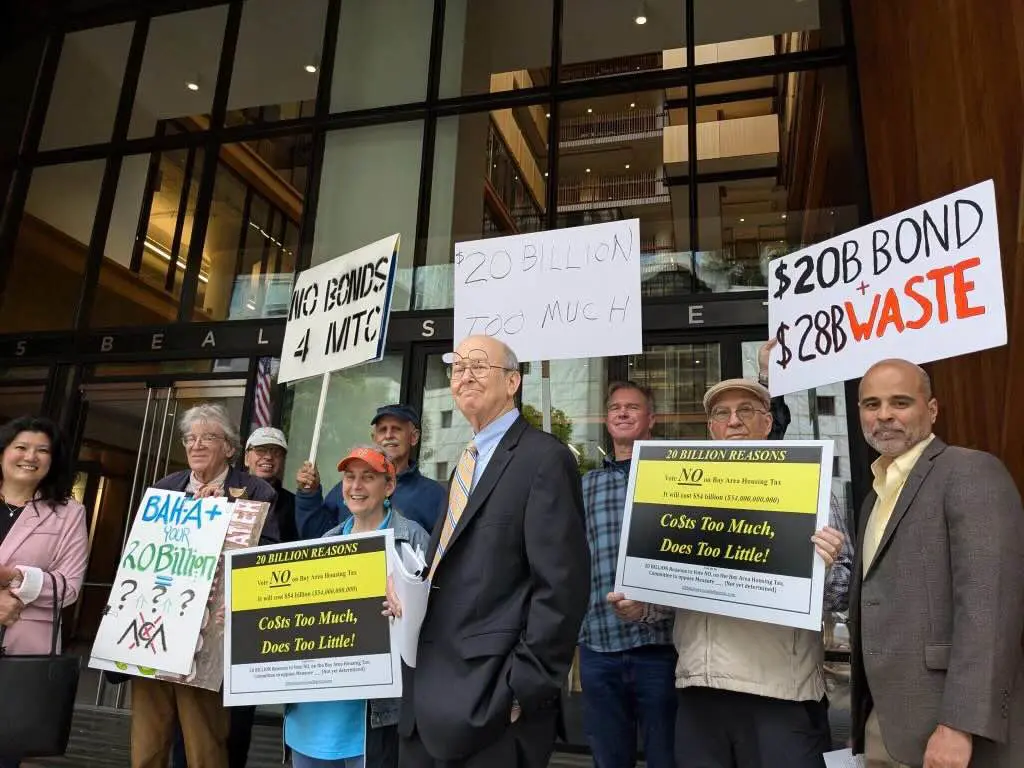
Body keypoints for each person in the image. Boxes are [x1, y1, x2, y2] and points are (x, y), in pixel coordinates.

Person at [611, 377, 848, 768]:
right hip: (698, 689)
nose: (733, 421)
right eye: (722, 413)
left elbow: (841, 596)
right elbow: (675, 593)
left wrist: (830, 564)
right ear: (712, 428)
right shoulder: (680, 490)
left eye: (746, 411)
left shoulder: (810, 485)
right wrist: (642, 607)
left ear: (768, 423)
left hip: (779, 695)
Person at [385, 335, 590, 768]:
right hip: (424, 705)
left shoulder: (544, 459)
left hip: (490, 710)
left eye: (479, 365)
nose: (464, 375)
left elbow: (561, 587)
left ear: (513, 381)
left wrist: (521, 691)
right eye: (457, 367)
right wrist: (410, 592)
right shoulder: (465, 461)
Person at [849, 359, 1024, 768]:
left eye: (900, 402)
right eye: (871, 404)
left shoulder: (969, 471)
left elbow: (990, 608)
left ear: (931, 411)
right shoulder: (874, 496)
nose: (884, 415)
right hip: (885, 725)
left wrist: (959, 725)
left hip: (948, 732)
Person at [125, 403, 277, 768]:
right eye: (190, 438)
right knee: (147, 744)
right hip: (154, 629)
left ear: (229, 447)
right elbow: (139, 552)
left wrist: (218, 516)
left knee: (204, 744)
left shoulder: (255, 491)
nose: (197, 445)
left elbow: (267, 554)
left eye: (208, 437)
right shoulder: (165, 489)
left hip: (210, 634)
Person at [286, 445, 429, 768]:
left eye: (368, 477)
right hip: (311, 717)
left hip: (369, 722)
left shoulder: (413, 541)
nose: (356, 486)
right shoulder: (324, 543)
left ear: (389, 486)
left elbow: (434, 626)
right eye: (350, 477)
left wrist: (409, 615)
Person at [171, 425, 299, 768]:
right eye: (260, 451)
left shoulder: (287, 501)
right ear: (246, 455)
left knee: (235, 722)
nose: (267, 458)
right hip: (183, 621)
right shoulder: (172, 486)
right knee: (185, 725)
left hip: (245, 619)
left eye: (275, 453)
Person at [577, 381, 676, 768]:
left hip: (661, 646)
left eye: (632, 407)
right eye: (615, 407)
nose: (622, 413)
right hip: (599, 643)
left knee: (666, 756)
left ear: (651, 418)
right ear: (606, 420)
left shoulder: (673, 475)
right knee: (609, 758)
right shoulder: (585, 485)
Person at [0, 416, 89, 768]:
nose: (30, 456)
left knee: (6, 749)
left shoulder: (68, 513)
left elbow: (69, 587)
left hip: (20, 654)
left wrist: (15, 577)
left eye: (42, 450)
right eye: (20, 447)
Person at [296, 405, 445, 537]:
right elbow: (316, 541)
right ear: (374, 438)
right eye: (382, 430)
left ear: (413, 437)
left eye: (396, 429)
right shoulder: (349, 490)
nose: (388, 435)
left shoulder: (434, 495)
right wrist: (309, 495)